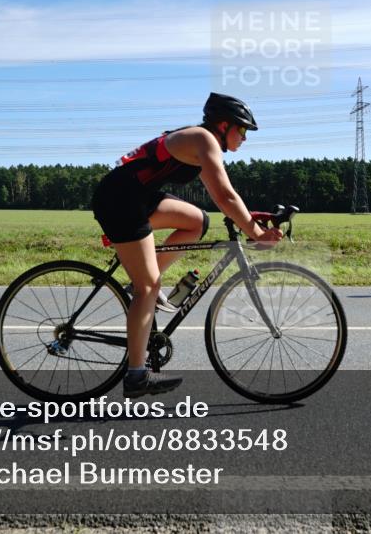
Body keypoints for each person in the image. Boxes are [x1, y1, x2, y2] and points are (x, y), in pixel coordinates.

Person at [92, 93, 282, 398]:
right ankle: (137, 375)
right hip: (121, 201)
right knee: (149, 286)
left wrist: (251, 219)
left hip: (136, 197)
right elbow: (226, 198)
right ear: (224, 125)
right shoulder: (202, 139)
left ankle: (140, 284)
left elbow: (226, 196)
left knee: (198, 222)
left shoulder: (203, 141)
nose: (244, 138)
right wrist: (256, 232)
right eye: (243, 130)